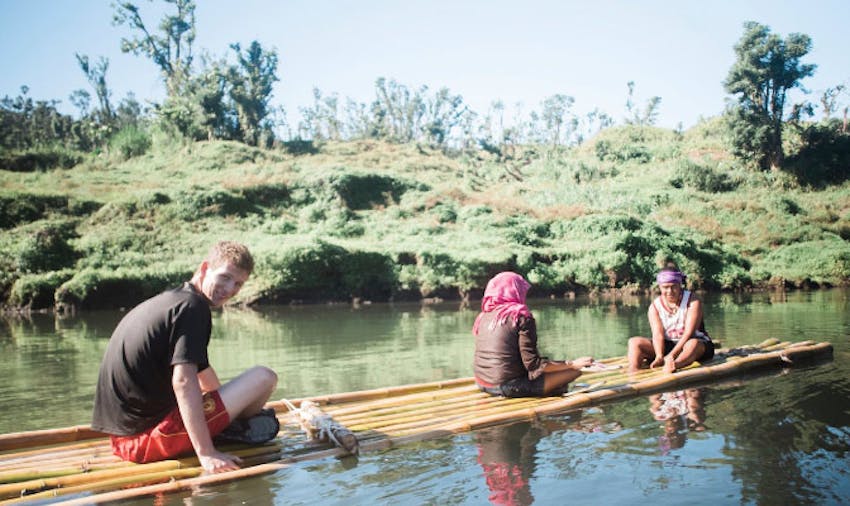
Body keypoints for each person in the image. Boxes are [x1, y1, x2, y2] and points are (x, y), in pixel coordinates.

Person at [91, 241, 278, 474]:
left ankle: (227, 426)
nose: (230, 289)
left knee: (245, 389)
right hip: (145, 441)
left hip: (123, 437)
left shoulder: (175, 300)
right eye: (225, 277)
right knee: (264, 378)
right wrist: (206, 453)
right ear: (204, 268)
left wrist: (226, 410)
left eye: (238, 284)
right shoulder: (193, 308)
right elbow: (183, 381)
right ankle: (219, 435)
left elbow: (202, 372)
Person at [473, 271, 593, 397]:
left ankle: (555, 387)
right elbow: (534, 365)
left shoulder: (483, 316)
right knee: (575, 372)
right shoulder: (520, 317)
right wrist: (573, 364)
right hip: (508, 387)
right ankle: (556, 388)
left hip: (482, 383)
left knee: (559, 372)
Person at [627, 262, 715, 373]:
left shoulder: (692, 301)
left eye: (674, 287)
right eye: (665, 287)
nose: (670, 291)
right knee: (634, 342)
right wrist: (659, 356)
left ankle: (676, 364)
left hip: (694, 344)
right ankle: (634, 371)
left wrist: (672, 356)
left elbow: (689, 333)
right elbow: (657, 334)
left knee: (692, 344)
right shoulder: (654, 307)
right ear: (659, 287)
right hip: (668, 345)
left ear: (680, 285)